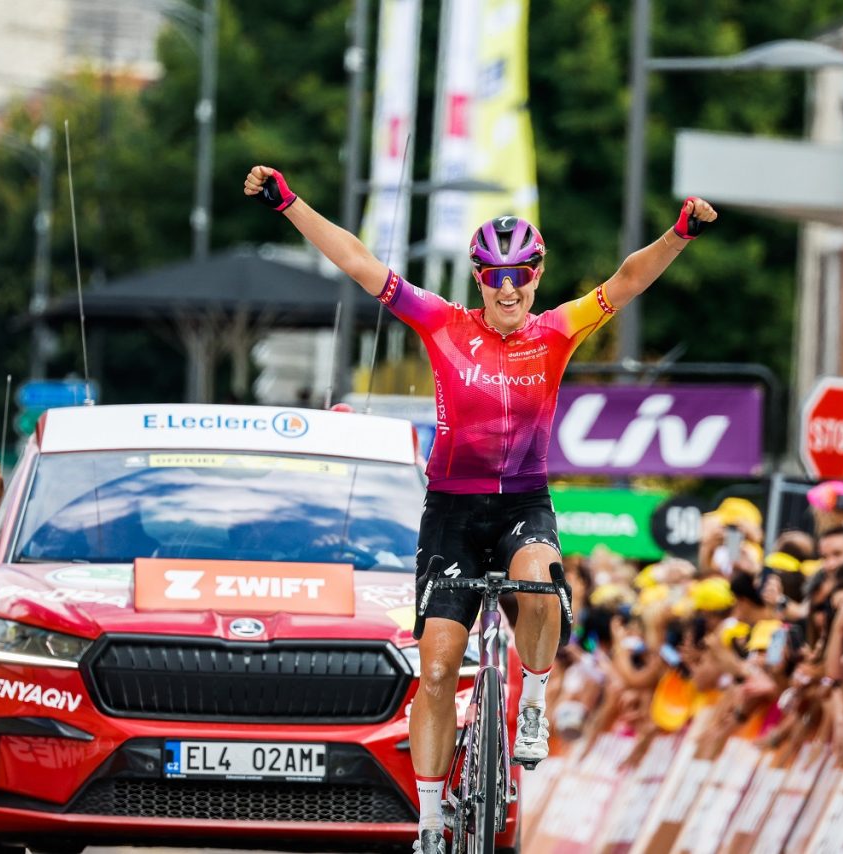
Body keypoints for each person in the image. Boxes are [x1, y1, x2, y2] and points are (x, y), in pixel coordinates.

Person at [243, 163, 717, 852]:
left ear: (537, 273)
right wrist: (288, 203)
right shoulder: (441, 324)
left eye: (521, 273)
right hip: (453, 511)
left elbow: (629, 279)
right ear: (477, 279)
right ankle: (432, 818)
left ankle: (532, 700)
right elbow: (356, 259)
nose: (509, 287)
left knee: (545, 584)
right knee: (436, 665)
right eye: (495, 276)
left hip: (523, 501)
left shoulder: (557, 331)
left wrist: (679, 233)